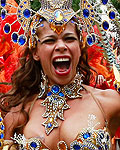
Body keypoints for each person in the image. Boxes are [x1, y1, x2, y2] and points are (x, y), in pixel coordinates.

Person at [0, 0, 120, 150]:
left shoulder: (109, 103)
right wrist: (8, 135)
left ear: (80, 46)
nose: (61, 46)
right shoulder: (21, 111)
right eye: (50, 40)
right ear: (35, 52)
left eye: (69, 39)